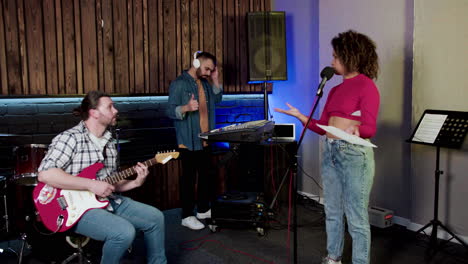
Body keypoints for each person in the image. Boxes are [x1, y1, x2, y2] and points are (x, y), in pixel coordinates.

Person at [275, 30, 380, 264]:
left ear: (350, 56)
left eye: (336, 56)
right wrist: (301, 116)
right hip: (331, 152)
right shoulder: (333, 89)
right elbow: (323, 127)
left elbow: (370, 127)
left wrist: (356, 130)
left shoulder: (366, 86)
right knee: (332, 211)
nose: (331, 61)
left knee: (356, 218)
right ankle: (333, 258)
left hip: (354, 155)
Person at [37, 91, 167, 264]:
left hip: (107, 200)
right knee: (124, 232)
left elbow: (111, 182)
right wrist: (91, 185)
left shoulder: (110, 143)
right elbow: (45, 174)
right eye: (110, 107)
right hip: (73, 208)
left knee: (155, 218)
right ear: (94, 113)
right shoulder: (70, 138)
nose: (116, 110)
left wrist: (135, 182)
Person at [167, 51, 223, 230]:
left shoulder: (205, 84)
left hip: (205, 138)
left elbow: (217, 99)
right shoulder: (179, 83)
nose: (208, 72)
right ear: (196, 63)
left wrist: (215, 79)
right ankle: (186, 215)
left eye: (211, 70)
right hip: (188, 141)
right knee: (189, 179)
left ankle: (203, 209)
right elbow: (169, 111)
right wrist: (185, 107)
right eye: (207, 69)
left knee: (206, 176)